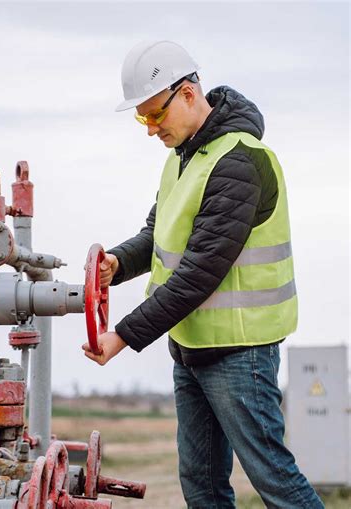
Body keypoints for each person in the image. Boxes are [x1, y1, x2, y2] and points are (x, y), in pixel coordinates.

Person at [82, 40, 323, 508]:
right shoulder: (183, 158)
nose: (150, 130)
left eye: (155, 115)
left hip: (241, 355)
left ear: (189, 93)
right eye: (142, 119)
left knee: (273, 479)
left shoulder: (240, 161)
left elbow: (199, 272)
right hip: (191, 350)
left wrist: (124, 336)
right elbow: (158, 232)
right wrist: (119, 263)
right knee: (201, 484)